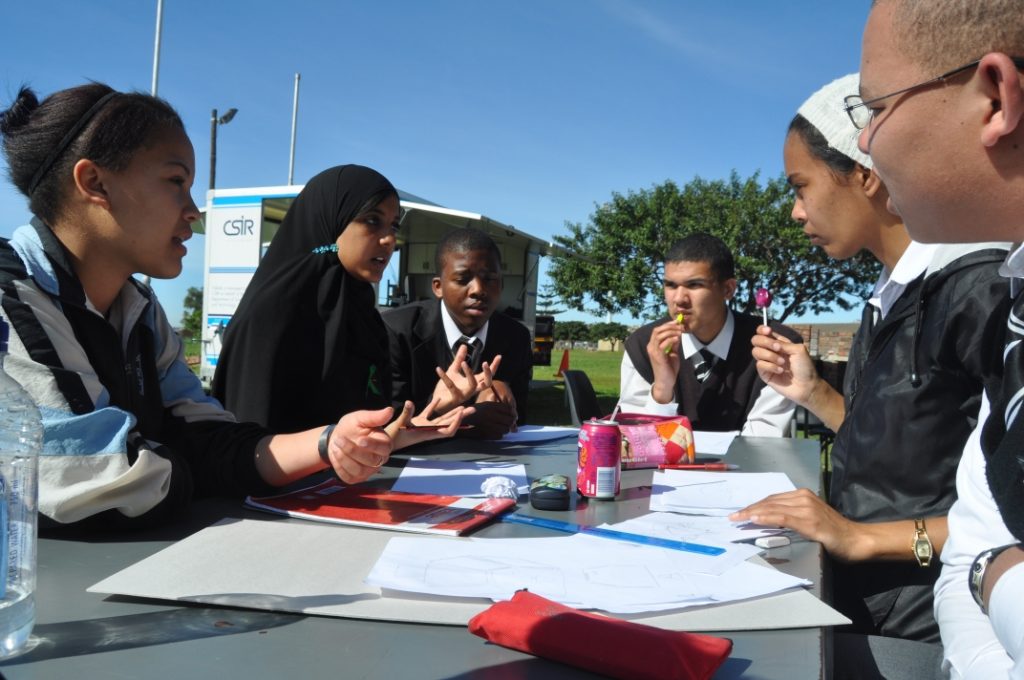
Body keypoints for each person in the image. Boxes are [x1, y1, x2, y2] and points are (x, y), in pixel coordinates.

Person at [0, 84, 463, 530]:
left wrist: (333, 443)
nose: (192, 210)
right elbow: (103, 483)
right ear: (94, 182)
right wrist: (202, 462)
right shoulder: (13, 300)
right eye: (176, 181)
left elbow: (209, 437)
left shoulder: (140, 312)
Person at [732, 73, 1009, 659]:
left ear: (865, 174)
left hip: (923, 628)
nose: (795, 211)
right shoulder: (889, 295)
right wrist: (813, 394)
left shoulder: (977, 292)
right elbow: (907, 455)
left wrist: (858, 538)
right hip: (864, 596)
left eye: (801, 187)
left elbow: (1002, 516)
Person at [851, 2, 1024, 677]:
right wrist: (992, 568)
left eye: (875, 108)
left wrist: (991, 571)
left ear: (993, 99)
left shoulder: (974, 291)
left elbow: (974, 551)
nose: (864, 141)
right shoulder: (1016, 295)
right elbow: (971, 545)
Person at [619, 233, 801, 435]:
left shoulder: (773, 347)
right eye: (670, 285)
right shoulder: (642, 346)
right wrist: (662, 390)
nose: (679, 299)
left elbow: (763, 439)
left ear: (728, 289)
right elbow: (638, 439)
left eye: (694, 285)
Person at [382, 227, 533, 439]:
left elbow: (521, 421)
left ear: (501, 284)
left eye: (489, 278)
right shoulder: (397, 331)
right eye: (463, 279)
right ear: (438, 287)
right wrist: (463, 418)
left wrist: (504, 397)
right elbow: (388, 422)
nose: (478, 289)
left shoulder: (516, 337)